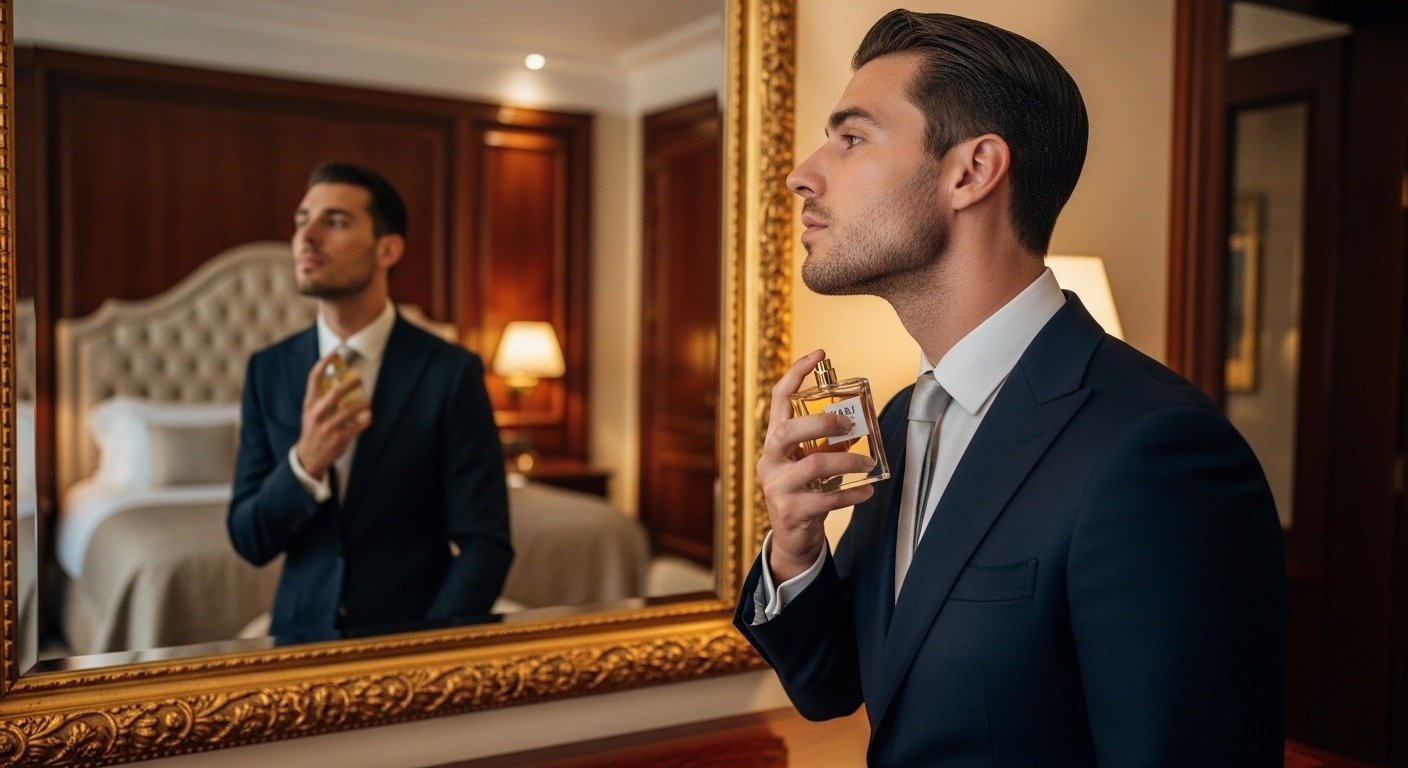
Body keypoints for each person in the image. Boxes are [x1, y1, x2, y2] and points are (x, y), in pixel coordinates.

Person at [734, 10, 1288, 766]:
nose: (803, 171)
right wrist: (795, 550)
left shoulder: (1157, 450)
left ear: (972, 171)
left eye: (851, 137)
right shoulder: (902, 420)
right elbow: (833, 688)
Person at [229, 162, 512, 637]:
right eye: (302, 220)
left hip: (413, 639)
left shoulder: (450, 372)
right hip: (297, 642)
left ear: (388, 249)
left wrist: (430, 648)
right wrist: (305, 463)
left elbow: (487, 543)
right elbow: (249, 539)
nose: (306, 237)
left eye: (334, 221)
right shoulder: (268, 371)